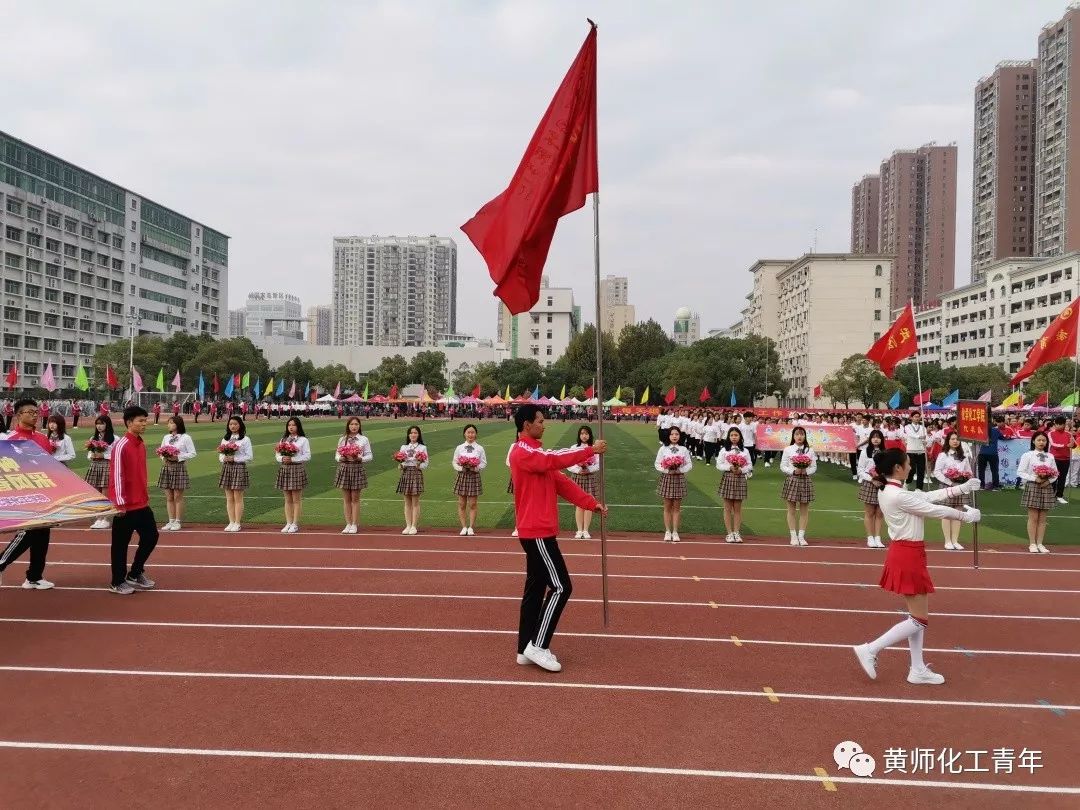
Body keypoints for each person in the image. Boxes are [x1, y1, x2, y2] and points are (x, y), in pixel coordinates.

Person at [853, 448, 981, 685]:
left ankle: (917, 668)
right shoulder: (896, 495)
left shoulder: (892, 490)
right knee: (919, 619)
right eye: (908, 463)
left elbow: (927, 497)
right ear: (897, 468)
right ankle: (871, 649)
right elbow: (933, 510)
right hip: (907, 555)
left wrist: (962, 488)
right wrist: (966, 517)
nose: (911, 467)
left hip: (908, 553)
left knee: (916, 617)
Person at [509, 404, 608, 673]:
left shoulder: (536, 453)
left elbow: (562, 483)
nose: (544, 425)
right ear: (526, 425)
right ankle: (538, 646)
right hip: (537, 532)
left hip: (539, 531)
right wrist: (590, 450)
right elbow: (552, 459)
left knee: (535, 589)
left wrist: (590, 503)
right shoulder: (522, 451)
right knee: (562, 587)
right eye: (540, 421)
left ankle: (525, 648)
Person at [0, 399, 58, 589]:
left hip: (44, 494)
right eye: (30, 412)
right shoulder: (9, 440)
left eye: (36, 412)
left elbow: (50, 466)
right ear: (18, 415)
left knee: (42, 535)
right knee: (27, 534)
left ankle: (34, 576)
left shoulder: (42, 439)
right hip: (23, 495)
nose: (35, 415)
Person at [107, 406, 160, 595]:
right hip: (125, 505)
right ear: (129, 423)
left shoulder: (140, 444)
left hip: (141, 503)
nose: (144, 424)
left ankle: (135, 573)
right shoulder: (121, 445)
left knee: (151, 536)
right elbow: (116, 475)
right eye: (141, 421)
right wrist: (119, 503)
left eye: (145, 421)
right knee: (120, 545)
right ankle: (117, 581)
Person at [932, 432, 973, 551]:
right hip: (947, 486)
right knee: (946, 513)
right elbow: (937, 472)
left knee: (958, 513)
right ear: (948, 441)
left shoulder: (963, 456)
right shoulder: (943, 455)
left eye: (957, 439)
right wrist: (950, 482)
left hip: (960, 487)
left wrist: (965, 479)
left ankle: (955, 540)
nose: (955, 441)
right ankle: (948, 541)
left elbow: (969, 472)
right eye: (952, 439)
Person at [1017, 431, 1057, 554]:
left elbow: (1055, 473)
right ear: (1033, 441)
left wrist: (1048, 481)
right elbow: (1020, 472)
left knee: (1043, 519)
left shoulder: (1050, 456)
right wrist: (1035, 479)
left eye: (1044, 440)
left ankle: (1040, 543)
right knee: (1033, 517)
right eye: (1039, 440)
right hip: (1033, 486)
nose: (1041, 442)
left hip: (1046, 487)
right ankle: (1032, 543)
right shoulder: (1027, 455)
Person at [780, 426, 817, 546]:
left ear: (805, 436)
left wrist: (806, 471)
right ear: (793, 436)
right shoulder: (788, 449)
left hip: (805, 480)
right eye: (797, 434)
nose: (799, 436)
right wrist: (793, 471)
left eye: (802, 434)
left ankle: (801, 536)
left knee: (804, 511)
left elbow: (814, 467)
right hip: (792, 480)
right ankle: (793, 536)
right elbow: (783, 466)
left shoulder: (809, 450)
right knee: (791, 510)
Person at [335, 417, 372, 534]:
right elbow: (337, 454)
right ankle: (348, 523)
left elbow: (369, 456)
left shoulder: (364, 439)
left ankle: (355, 524)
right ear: (348, 426)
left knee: (355, 499)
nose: (354, 426)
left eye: (356, 424)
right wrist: (340, 458)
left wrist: (360, 458)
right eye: (351, 424)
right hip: (344, 468)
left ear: (359, 426)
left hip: (357, 468)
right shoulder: (342, 439)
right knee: (346, 499)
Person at [158, 415, 196, 531]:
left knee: (178, 496)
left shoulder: (186, 437)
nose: (169, 425)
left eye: (171, 423)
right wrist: (164, 457)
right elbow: (161, 451)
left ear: (178, 424)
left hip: (179, 467)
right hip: (167, 467)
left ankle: (178, 521)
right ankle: (171, 521)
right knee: (169, 497)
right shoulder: (166, 437)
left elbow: (193, 453)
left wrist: (178, 457)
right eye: (168, 423)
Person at [273, 417, 311, 534]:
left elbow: (307, 456)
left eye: (293, 425)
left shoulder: (303, 440)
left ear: (298, 426)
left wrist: (293, 459)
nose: (291, 427)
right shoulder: (283, 439)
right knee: (287, 499)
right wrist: (282, 458)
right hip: (285, 468)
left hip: (297, 468)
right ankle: (288, 522)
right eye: (289, 425)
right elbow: (277, 455)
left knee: (296, 499)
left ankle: (295, 524)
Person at [654, 426, 691, 542]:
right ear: (668, 436)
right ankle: (667, 531)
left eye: (677, 434)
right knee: (667, 507)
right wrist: (667, 470)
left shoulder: (683, 449)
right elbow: (657, 464)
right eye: (672, 434)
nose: (674, 436)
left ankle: (675, 531)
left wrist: (680, 470)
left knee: (677, 508)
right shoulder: (663, 449)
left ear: (680, 436)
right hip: (667, 478)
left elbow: (689, 464)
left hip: (679, 478)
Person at [716, 426, 752, 543]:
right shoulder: (724, 450)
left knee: (737, 508)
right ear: (728, 437)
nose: (734, 437)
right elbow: (719, 464)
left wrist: (741, 470)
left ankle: (736, 532)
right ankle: (729, 533)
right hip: (728, 478)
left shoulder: (745, 451)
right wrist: (730, 467)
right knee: (727, 508)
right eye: (731, 435)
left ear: (740, 437)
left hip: (740, 478)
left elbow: (749, 465)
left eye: (736, 435)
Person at [219, 415, 254, 532]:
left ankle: (237, 522)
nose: (232, 426)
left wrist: (234, 459)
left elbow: (249, 457)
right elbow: (221, 454)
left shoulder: (245, 439)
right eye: (230, 424)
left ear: (240, 425)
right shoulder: (225, 439)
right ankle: (231, 521)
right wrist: (223, 458)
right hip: (227, 468)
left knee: (237, 497)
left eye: (235, 424)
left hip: (239, 468)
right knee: (229, 497)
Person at [451, 424, 487, 536]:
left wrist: (475, 467)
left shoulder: (480, 448)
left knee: (473, 504)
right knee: (461, 503)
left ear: (476, 434)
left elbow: (483, 462)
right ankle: (463, 527)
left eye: (472, 432)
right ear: (464, 434)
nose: (470, 435)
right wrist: (461, 468)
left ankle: (471, 527)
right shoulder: (459, 447)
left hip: (474, 476)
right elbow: (454, 462)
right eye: (468, 432)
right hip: (462, 476)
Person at [395, 426, 429, 535]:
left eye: (415, 433)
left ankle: (414, 526)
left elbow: (426, 463)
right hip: (406, 473)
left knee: (415, 501)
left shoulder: (422, 447)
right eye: (411, 433)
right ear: (408, 435)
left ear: (418, 435)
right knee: (407, 501)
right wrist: (401, 465)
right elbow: (401, 461)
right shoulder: (404, 447)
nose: (413, 435)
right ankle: (408, 525)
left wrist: (419, 465)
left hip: (416, 472)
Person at [856, 429, 886, 549]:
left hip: (882, 483)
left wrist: (882, 478)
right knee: (869, 512)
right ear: (870, 439)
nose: (876, 439)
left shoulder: (885, 452)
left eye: (878, 437)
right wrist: (872, 479)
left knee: (879, 513)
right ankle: (870, 537)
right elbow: (860, 470)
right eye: (873, 437)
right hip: (869, 483)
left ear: (881, 439)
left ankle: (878, 537)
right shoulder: (865, 452)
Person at [568, 426, 599, 539]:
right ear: (579, 435)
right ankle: (579, 530)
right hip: (578, 477)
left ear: (590, 435)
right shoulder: (574, 447)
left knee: (589, 503)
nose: (584, 436)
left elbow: (598, 464)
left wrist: (588, 469)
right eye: (582, 434)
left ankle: (586, 530)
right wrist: (579, 470)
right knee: (579, 504)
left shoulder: (594, 448)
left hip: (589, 477)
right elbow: (569, 463)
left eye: (586, 434)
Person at [85, 415, 116, 530]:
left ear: (107, 424)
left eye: (102, 423)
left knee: (105, 494)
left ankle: (106, 519)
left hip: (106, 466)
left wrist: (104, 455)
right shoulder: (93, 437)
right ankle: (99, 518)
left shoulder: (114, 438)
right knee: (97, 494)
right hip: (95, 466)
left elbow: (116, 454)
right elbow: (89, 453)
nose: (99, 426)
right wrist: (91, 455)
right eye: (97, 424)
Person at [1047, 416, 1074, 505]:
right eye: (1057, 424)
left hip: (1066, 459)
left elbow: (1073, 445)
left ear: (1064, 424)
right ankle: (1051, 495)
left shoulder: (1069, 434)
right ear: (1055, 424)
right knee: (1053, 478)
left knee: (1062, 478)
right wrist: (1066, 445)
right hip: (1054, 459)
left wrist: (1072, 444)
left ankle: (1059, 496)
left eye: (1061, 424)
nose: (1059, 426)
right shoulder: (1051, 433)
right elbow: (1054, 445)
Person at [977, 416, 1004, 491]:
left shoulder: (981, 430)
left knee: (981, 470)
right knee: (994, 470)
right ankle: (995, 486)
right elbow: (1002, 437)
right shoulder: (996, 430)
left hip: (982, 452)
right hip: (993, 453)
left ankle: (981, 486)